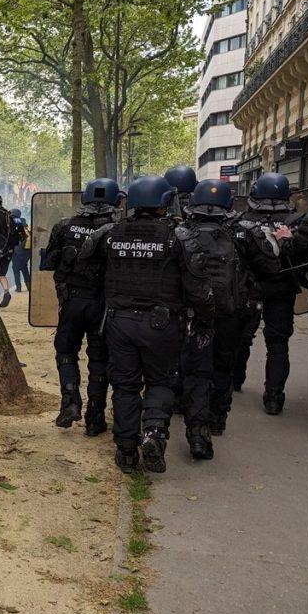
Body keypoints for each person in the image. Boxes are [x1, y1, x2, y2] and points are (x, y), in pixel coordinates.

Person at [79, 175, 213, 474]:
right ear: (164, 203)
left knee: (125, 386)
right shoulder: (178, 236)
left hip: (118, 322)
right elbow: (198, 288)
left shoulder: (110, 233)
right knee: (160, 382)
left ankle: (126, 450)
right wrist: (203, 320)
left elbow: (85, 265)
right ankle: (153, 433)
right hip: (161, 324)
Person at [178, 179, 281, 453]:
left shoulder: (181, 232)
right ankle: (217, 419)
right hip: (230, 314)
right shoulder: (244, 232)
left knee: (195, 369)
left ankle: (194, 423)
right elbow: (271, 266)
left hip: (193, 313)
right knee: (222, 366)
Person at [42, 178, 120, 435]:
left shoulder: (64, 227)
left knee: (66, 352)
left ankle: (70, 400)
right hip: (103, 306)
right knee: (99, 359)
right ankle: (95, 417)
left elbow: (50, 261)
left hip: (72, 302)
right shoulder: (118, 230)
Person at [235, 172, 302, 415]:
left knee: (242, 336)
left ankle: (235, 378)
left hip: (250, 290)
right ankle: (274, 397)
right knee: (278, 343)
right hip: (282, 291)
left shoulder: (242, 222)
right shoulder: (297, 222)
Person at [10, 208, 31, 292]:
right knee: (24, 268)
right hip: (27, 250)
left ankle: (18, 288)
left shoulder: (14, 223)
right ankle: (28, 286)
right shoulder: (25, 223)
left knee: (15, 269)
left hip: (19, 250)